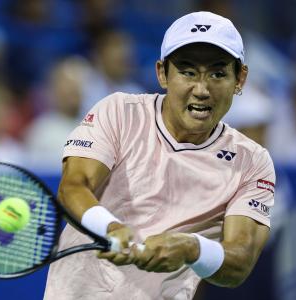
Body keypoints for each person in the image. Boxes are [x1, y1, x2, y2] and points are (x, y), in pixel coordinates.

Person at [44, 11, 275, 300]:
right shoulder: (118, 111)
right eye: (188, 72)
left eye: (217, 73)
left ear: (240, 78)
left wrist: (192, 248)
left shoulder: (252, 162)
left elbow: (239, 263)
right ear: (162, 73)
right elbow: (73, 187)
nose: (202, 89)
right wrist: (110, 227)